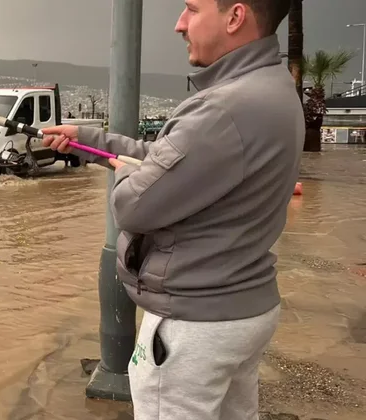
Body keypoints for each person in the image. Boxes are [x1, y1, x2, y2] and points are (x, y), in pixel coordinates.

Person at [42, 0, 301, 419]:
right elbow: (170, 158)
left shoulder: (222, 109)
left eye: (192, 9)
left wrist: (125, 174)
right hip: (244, 310)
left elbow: (133, 207)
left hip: (195, 327)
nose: (179, 25)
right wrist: (91, 141)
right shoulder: (272, 87)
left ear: (235, 17)